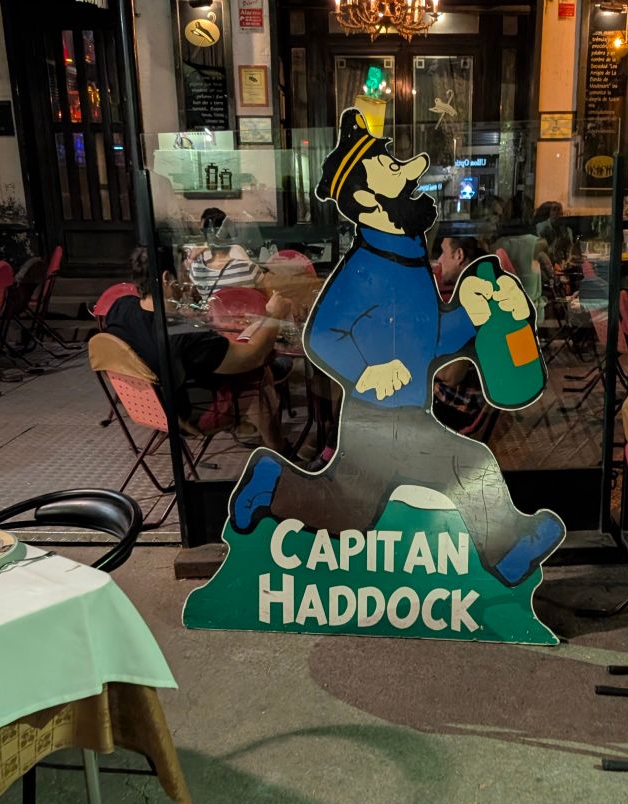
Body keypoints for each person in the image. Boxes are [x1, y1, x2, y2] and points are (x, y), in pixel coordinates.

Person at [227, 108, 564, 588]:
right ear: (365, 199)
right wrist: (365, 370)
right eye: (393, 171)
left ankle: (272, 482)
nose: (410, 176)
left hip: (400, 413)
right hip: (377, 418)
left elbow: (429, 342)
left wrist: (478, 315)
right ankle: (508, 551)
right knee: (470, 463)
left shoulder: (405, 260)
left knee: (345, 516)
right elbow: (322, 334)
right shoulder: (367, 265)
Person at [106, 246, 290, 451]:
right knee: (259, 372)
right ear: (167, 278)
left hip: (150, 406)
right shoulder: (184, 336)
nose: (188, 282)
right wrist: (273, 316)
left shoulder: (120, 308)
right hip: (192, 414)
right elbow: (253, 356)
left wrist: (187, 317)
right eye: (184, 272)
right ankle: (277, 449)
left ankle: (258, 434)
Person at [432, 237, 489, 434]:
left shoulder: (470, 301)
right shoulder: (482, 285)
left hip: (454, 407)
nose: (439, 260)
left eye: (443, 253)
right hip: (463, 401)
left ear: (458, 256)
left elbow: (450, 375)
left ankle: (333, 457)